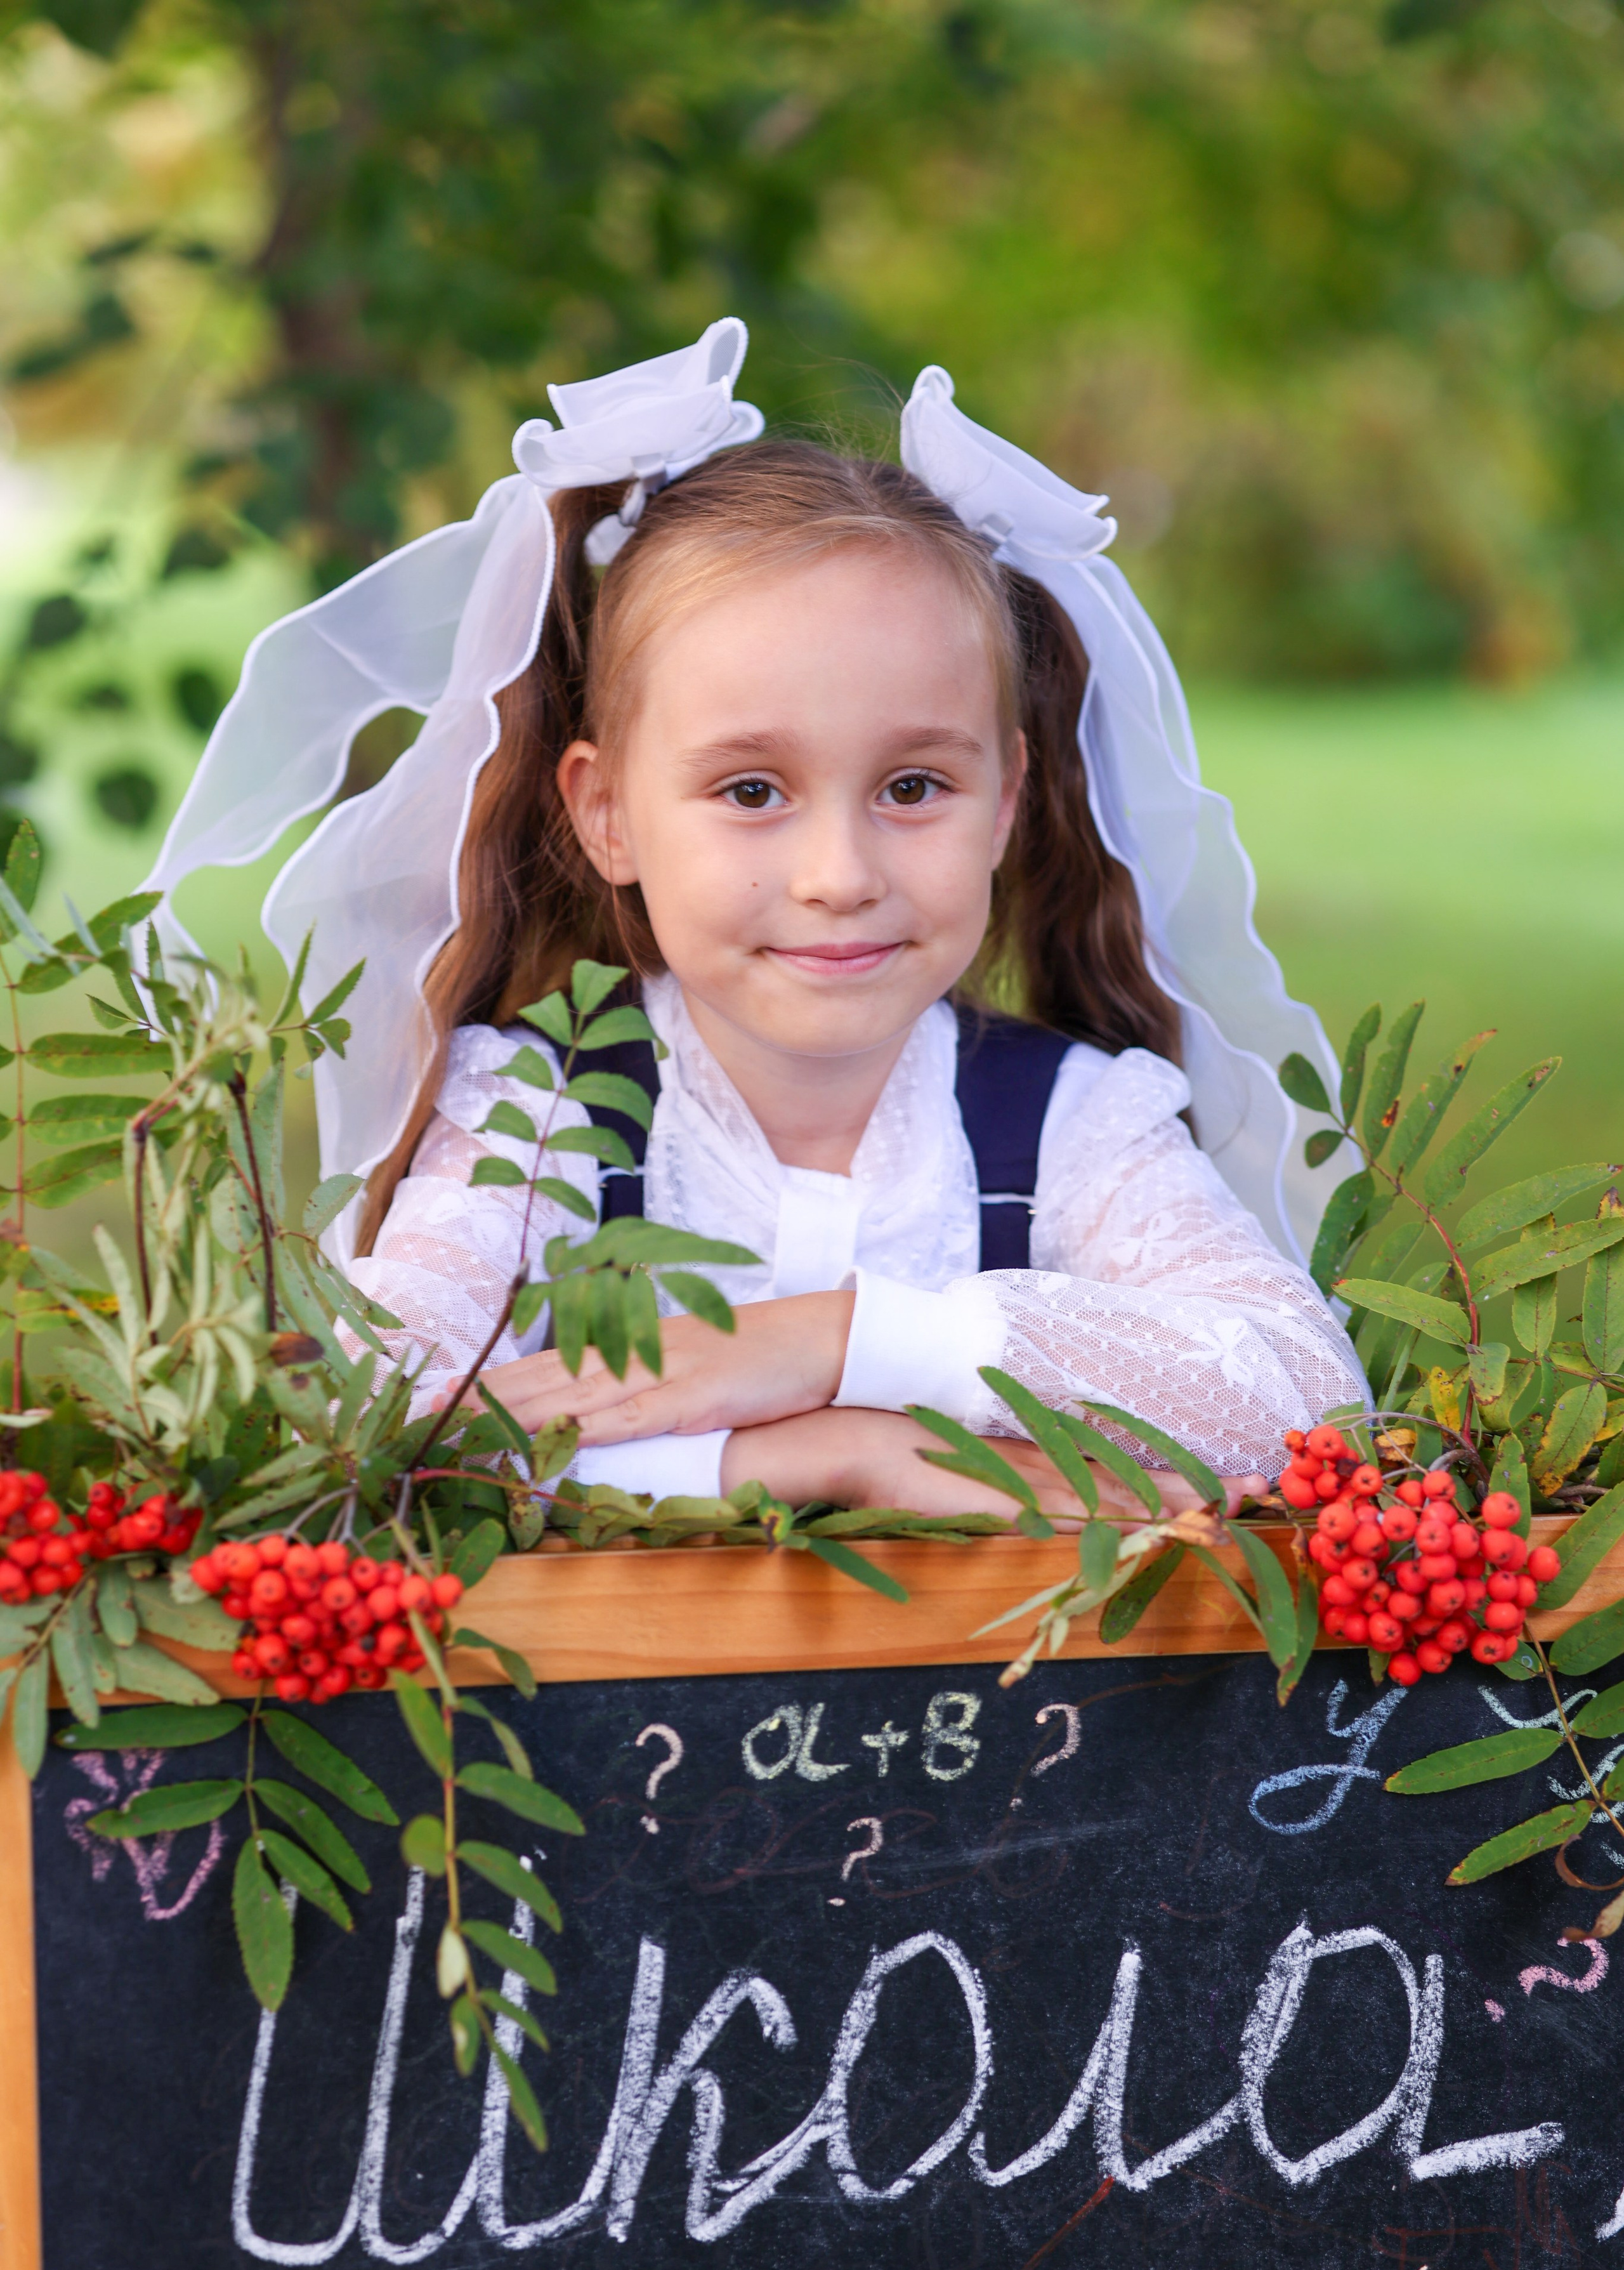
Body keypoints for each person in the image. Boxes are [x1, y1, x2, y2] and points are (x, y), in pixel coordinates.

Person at [144, 322, 1367, 1525]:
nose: (839, 874)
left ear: (1006, 800)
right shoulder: (538, 1111)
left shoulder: (1077, 1125)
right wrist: (822, 1458)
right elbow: (372, 1439)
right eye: (751, 792)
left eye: (912, 788)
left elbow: (1310, 1400)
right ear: (609, 814)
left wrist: (846, 1344)